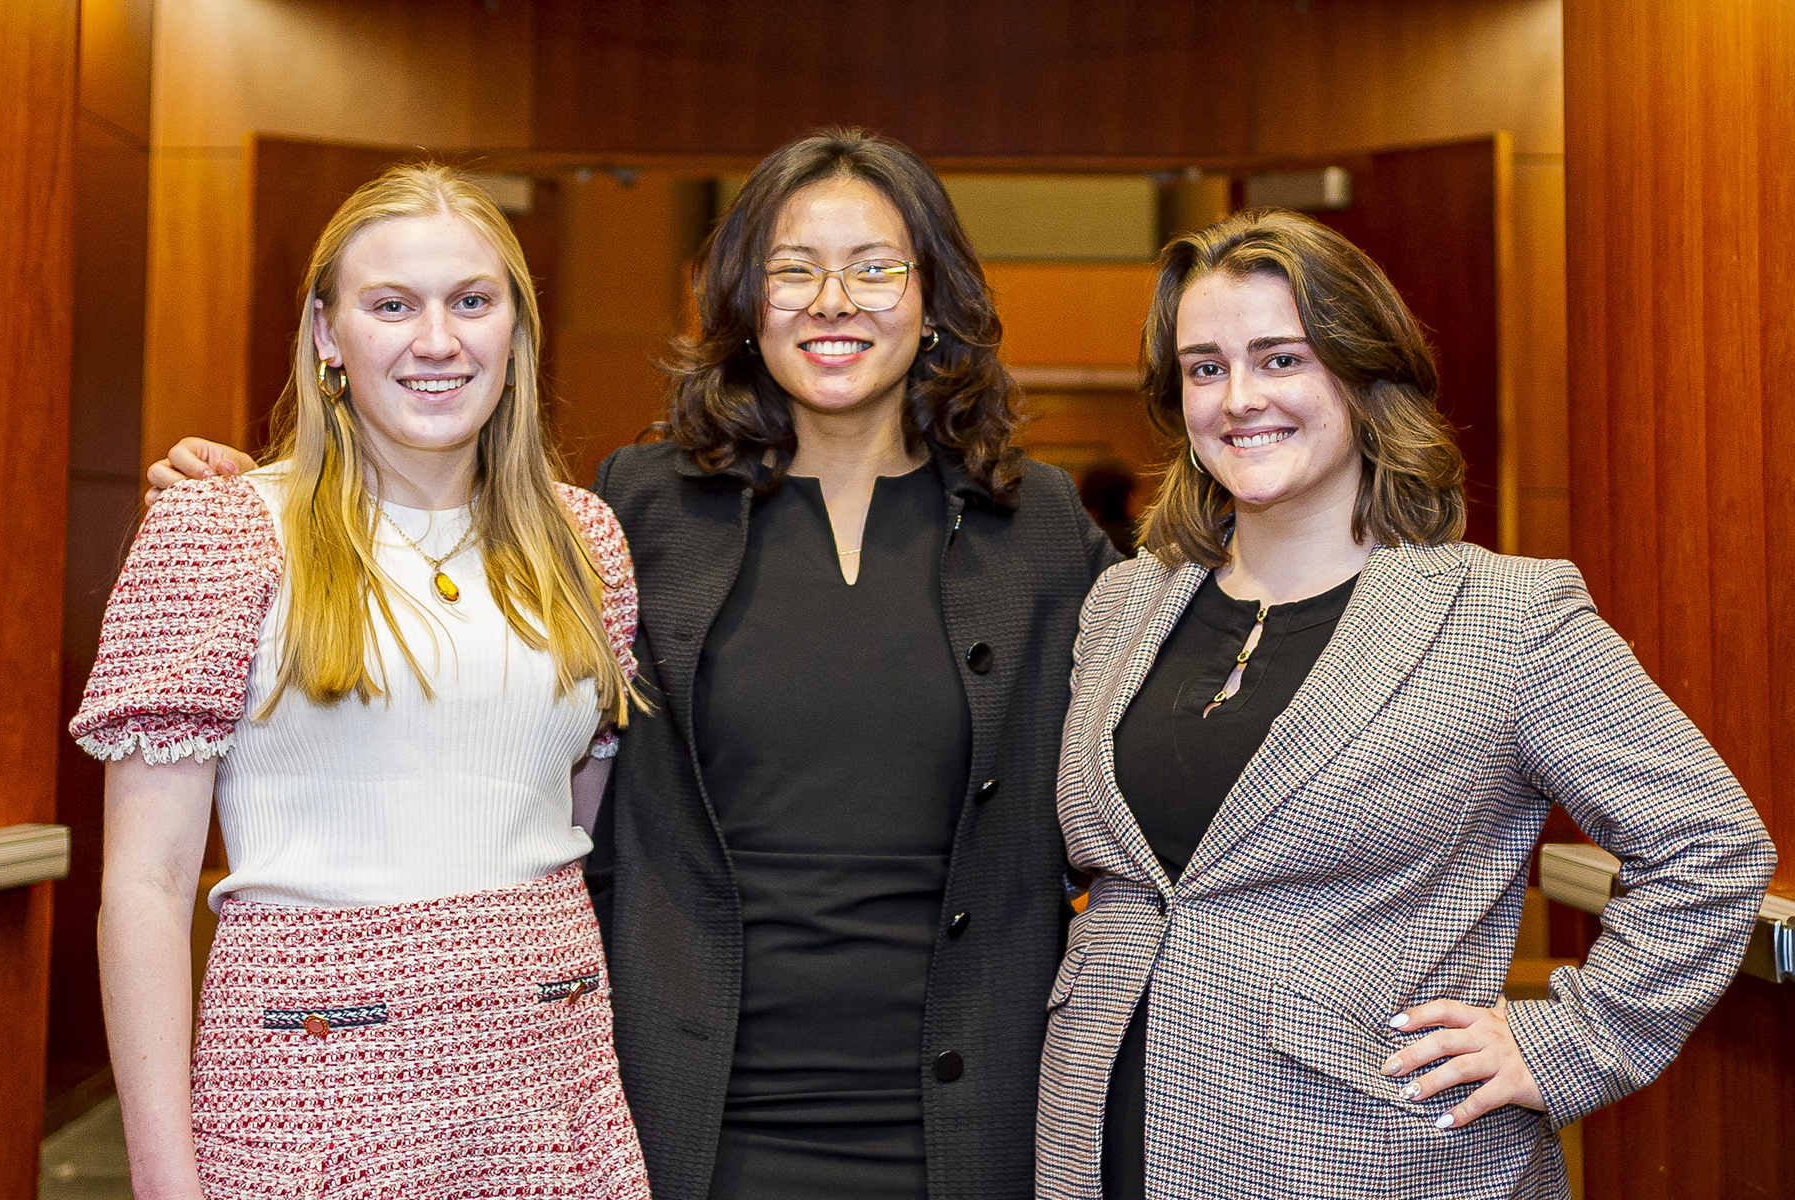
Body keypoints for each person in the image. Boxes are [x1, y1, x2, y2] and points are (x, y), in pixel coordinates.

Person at [143, 129, 1121, 1200]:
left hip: (968, 1104)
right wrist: (258, 505)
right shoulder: (641, 511)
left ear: (933, 296)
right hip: (683, 1105)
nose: (833, 298)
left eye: (877, 266)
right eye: (793, 268)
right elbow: (541, 734)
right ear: (745, 301)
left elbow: (1157, 705)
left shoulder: (1039, 529)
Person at [1037, 209, 1775, 1200]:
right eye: (1205, 368)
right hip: (1096, 1139)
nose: (1239, 399)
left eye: (1281, 359)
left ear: (1361, 372)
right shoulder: (1129, 599)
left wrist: (1568, 1039)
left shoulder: (1508, 619)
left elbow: (1710, 847)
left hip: (1370, 1155)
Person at [76, 164, 651, 1199]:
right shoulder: (222, 530)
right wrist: (166, 1185)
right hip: (312, 1085)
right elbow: (145, 888)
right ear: (328, 332)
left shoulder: (588, 542)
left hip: (549, 1082)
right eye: (392, 305)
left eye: (472, 301)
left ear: (514, 333)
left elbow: (566, 822)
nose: (438, 341)